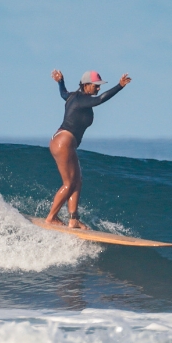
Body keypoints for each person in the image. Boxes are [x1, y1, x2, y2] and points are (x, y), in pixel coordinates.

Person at [46, 69, 131, 228]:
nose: (98, 88)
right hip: (64, 141)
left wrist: (60, 81)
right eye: (95, 85)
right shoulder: (81, 99)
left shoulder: (71, 96)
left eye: (99, 86)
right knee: (69, 183)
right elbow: (100, 99)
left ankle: (73, 219)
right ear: (85, 85)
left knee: (77, 181)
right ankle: (51, 217)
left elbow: (63, 93)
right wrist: (119, 86)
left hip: (62, 141)